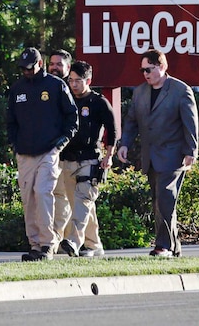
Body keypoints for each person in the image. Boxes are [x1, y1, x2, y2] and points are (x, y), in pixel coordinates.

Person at [118, 49, 199, 258]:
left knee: (165, 198)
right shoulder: (139, 92)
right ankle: (175, 245)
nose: (145, 73)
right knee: (159, 200)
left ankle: (163, 246)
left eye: (149, 69)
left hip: (173, 156)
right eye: (142, 70)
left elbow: (190, 123)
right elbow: (132, 121)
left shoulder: (181, 90)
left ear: (162, 67)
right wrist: (125, 143)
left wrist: (191, 150)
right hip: (150, 155)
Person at [7, 47, 78, 261]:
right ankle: (35, 245)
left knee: (42, 193)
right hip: (25, 153)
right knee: (28, 199)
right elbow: (10, 120)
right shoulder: (17, 88)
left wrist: (61, 142)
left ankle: (48, 243)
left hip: (49, 151)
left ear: (40, 64)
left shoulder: (56, 86)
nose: (26, 72)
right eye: (23, 68)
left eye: (29, 68)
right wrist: (14, 144)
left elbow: (72, 117)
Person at [60, 60, 118, 257]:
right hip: (67, 160)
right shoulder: (66, 99)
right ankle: (94, 245)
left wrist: (109, 156)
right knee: (80, 205)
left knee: (83, 201)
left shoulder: (98, 102)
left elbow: (112, 130)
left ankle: (74, 242)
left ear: (88, 80)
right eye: (71, 80)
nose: (73, 84)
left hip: (90, 160)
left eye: (78, 80)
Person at [47, 49, 75, 252]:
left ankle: (57, 237)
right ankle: (59, 237)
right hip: (47, 152)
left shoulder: (72, 89)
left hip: (68, 153)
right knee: (52, 196)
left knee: (61, 196)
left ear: (68, 67)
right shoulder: (46, 87)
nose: (54, 67)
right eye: (52, 63)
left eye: (59, 64)